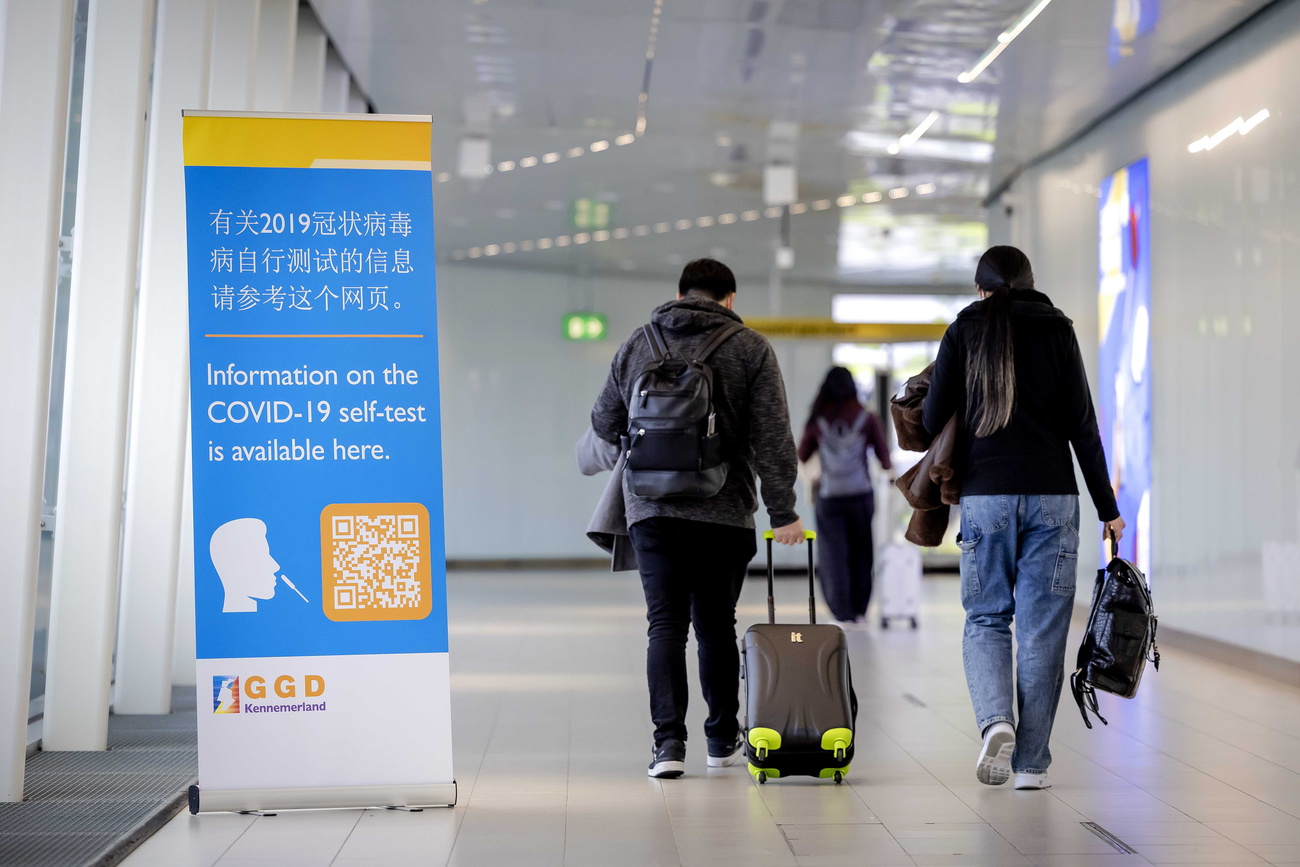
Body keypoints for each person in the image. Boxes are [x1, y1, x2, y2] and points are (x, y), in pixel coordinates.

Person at [590, 257, 804, 779]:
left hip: (651, 509)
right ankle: (719, 739)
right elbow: (771, 436)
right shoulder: (749, 347)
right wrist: (784, 512)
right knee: (715, 625)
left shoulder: (640, 342)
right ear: (729, 299)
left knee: (664, 625)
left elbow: (604, 418)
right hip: (723, 511)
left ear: (681, 293)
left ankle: (667, 746)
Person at [922, 245, 1123, 791]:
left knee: (987, 617)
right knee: (1042, 630)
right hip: (1055, 498)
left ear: (981, 287)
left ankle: (997, 722)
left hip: (987, 495)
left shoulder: (964, 330)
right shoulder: (1059, 330)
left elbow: (932, 416)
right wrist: (1108, 508)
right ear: (1031, 282)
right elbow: (1084, 426)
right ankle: (1031, 764)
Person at [797, 367, 892, 625]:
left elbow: (802, 454)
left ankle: (841, 612)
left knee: (833, 555)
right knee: (862, 552)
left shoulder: (819, 420)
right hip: (861, 495)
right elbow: (885, 459)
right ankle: (860, 609)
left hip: (830, 498)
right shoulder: (867, 418)